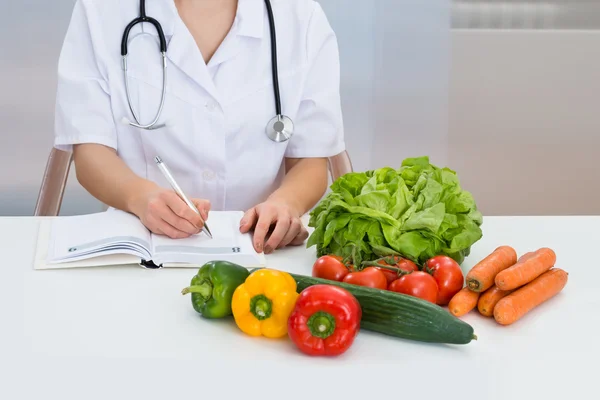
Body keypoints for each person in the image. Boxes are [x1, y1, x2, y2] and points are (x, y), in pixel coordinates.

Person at [53, 0, 345, 254]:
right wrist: (139, 196)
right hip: (142, 248)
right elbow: (90, 153)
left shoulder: (301, 19)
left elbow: (310, 160)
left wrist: (286, 203)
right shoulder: (100, 11)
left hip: (261, 251)